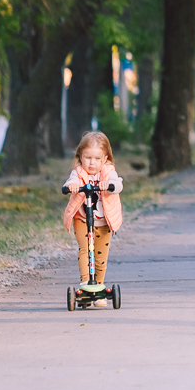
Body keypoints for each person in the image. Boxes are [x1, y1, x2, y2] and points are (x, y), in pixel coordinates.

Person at [62, 131, 124, 307]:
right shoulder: (79, 173)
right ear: (80, 157)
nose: (92, 162)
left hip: (103, 222)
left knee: (100, 256)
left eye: (97, 159)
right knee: (85, 249)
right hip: (82, 219)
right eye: (87, 157)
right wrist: (71, 186)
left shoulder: (108, 171)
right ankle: (85, 285)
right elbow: (70, 182)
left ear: (104, 159)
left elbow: (118, 183)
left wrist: (110, 186)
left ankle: (99, 289)